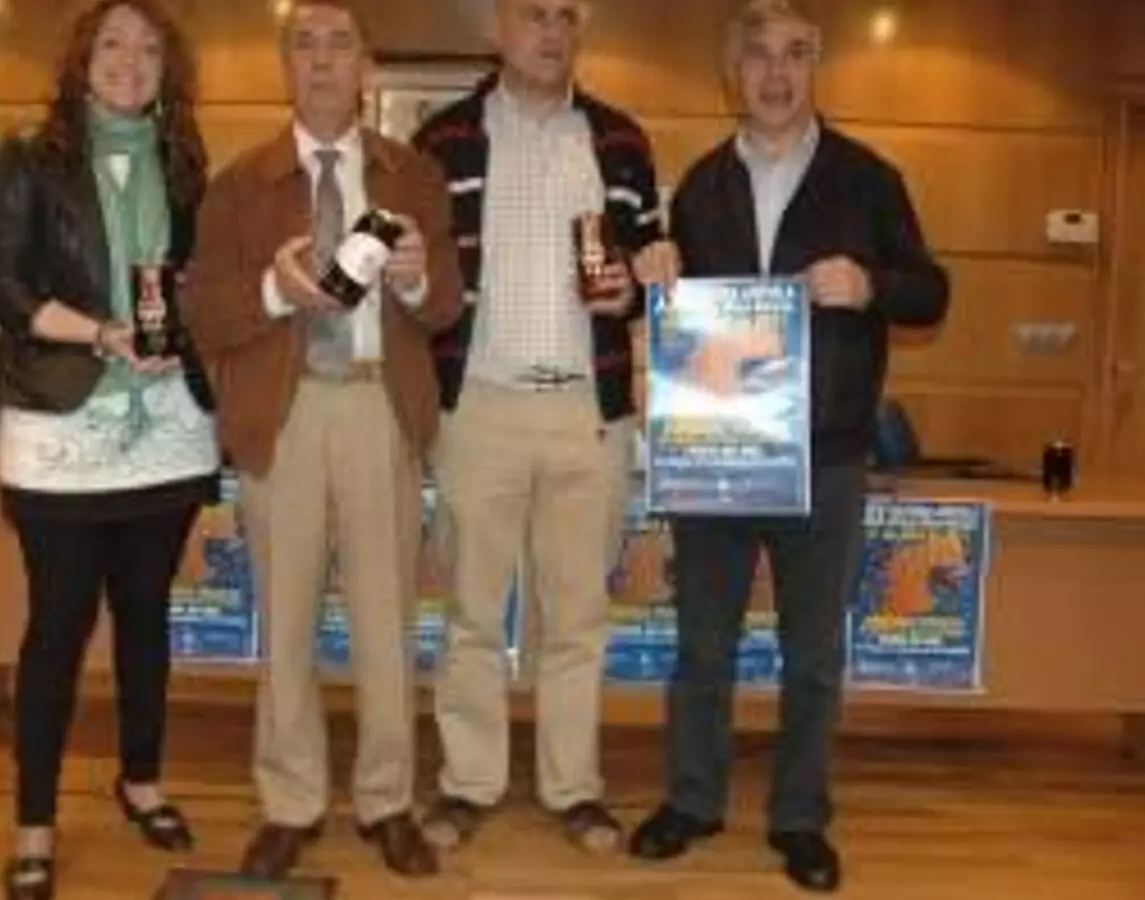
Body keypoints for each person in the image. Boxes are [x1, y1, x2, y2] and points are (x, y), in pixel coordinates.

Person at [625, 1, 950, 893]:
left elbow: (931, 292)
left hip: (828, 455)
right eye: (759, 56)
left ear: (817, 67)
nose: (776, 73)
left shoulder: (868, 178)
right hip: (718, 449)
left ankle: (801, 818)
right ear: (733, 73)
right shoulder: (700, 185)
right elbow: (675, 310)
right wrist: (657, 272)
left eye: (795, 54)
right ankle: (693, 800)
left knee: (813, 656)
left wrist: (869, 283)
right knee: (702, 643)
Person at [180, 0, 464, 880]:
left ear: (366, 66)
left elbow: (447, 305)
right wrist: (275, 292)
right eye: (304, 44)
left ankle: (387, 800)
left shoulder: (414, 176)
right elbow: (204, 314)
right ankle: (290, 801)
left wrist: (413, 281)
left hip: (380, 407)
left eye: (341, 44)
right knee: (288, 620)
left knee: (386, 621)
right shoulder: (239, 185)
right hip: (285, 413)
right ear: (286, 66)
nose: (323, 60)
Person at [409, 0, 676, 856]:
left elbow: (651, 261)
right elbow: (414, 276)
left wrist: (635, 287)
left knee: (577, 617)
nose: (552, 31)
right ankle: (468, 783)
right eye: (533, 13)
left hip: (587, 411)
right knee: (472, 615)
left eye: (566, 15)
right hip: (478, 407)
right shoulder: (441, 140)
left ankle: (574, 788)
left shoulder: (621, 140)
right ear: (497, 29)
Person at [0, 2, 218, 898]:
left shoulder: (185, 160)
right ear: (81, 59)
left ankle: (141, 780)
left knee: (147, 615)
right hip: (62, 429)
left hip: (168, 432)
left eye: (149, 48)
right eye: (112, 43)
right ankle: (34, 826)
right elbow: (1, 286)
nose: (130, 61)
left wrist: (186, 314)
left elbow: (196, 275)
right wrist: (101, 333)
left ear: (167, 67)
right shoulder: (28, 159)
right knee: (58, 627)